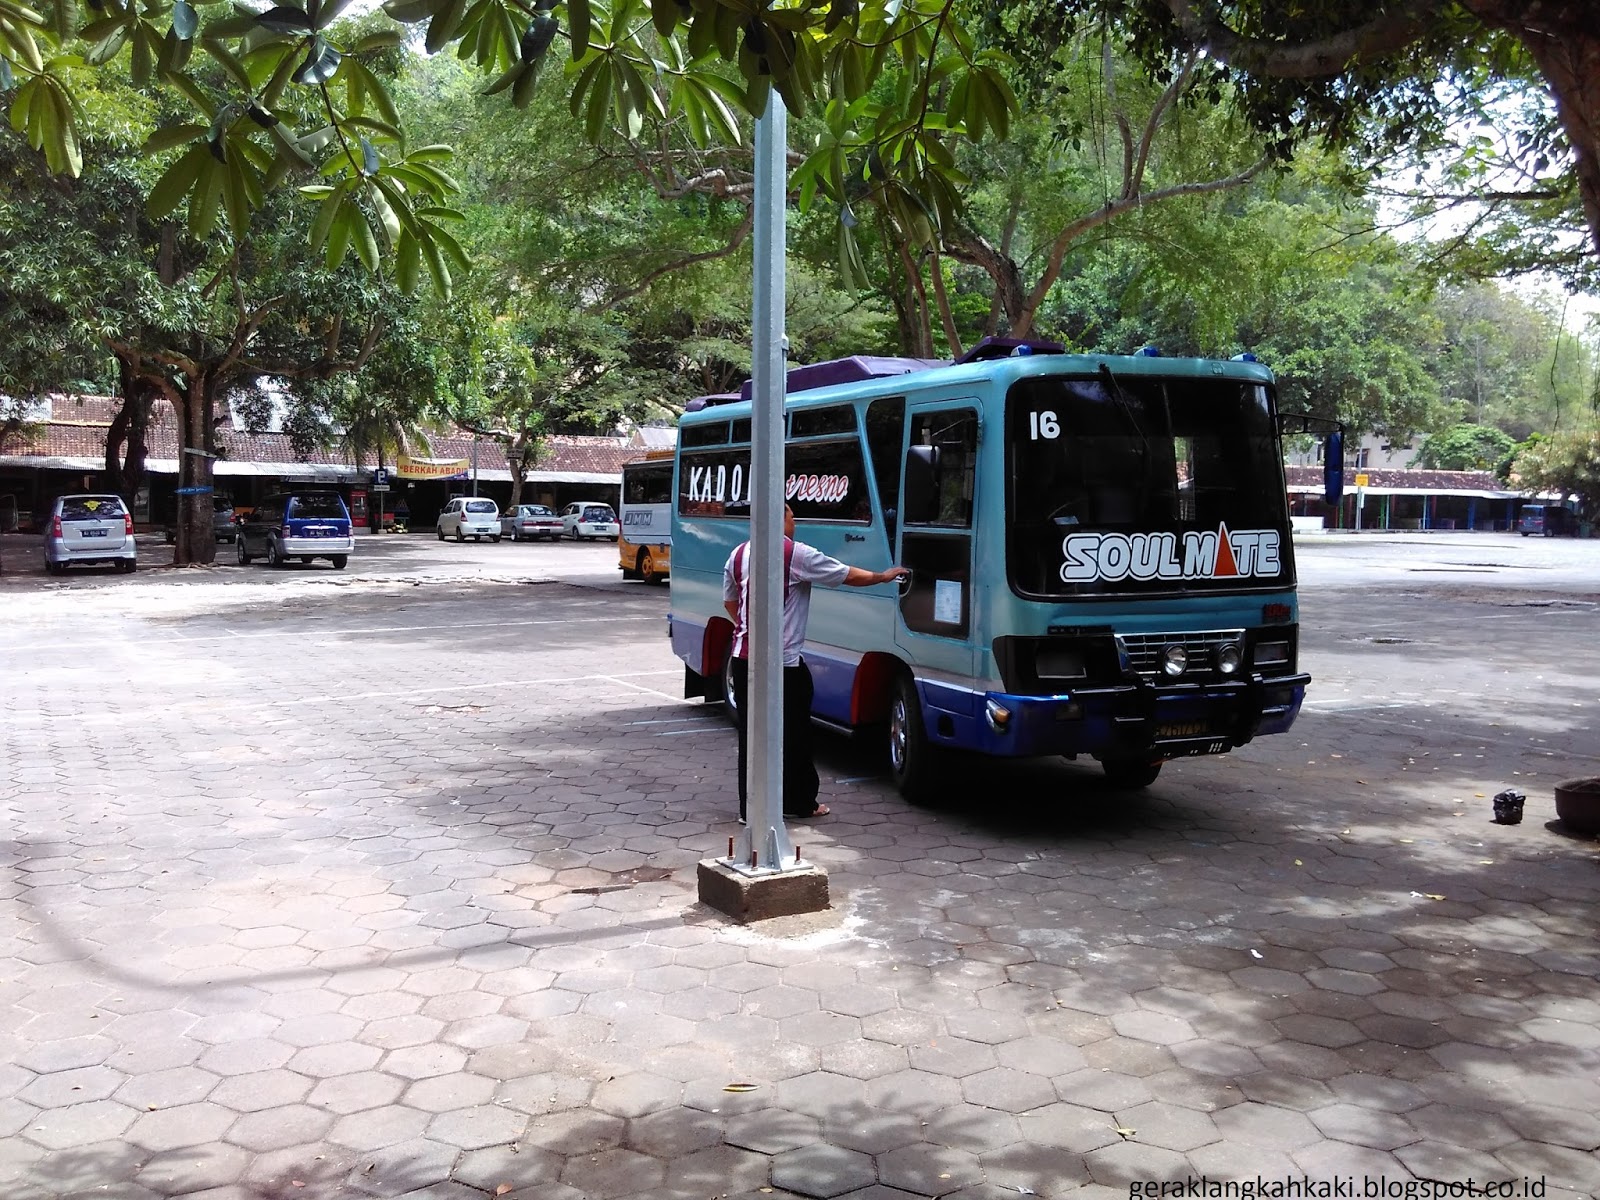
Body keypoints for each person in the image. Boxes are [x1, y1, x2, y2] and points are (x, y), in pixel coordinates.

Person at [724, 505, 909, 821]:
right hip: (782, 664)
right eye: (792, 517)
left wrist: (753, 631)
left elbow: (731, 603)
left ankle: (750, 810)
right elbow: (845, 574)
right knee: (795, 734)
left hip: (743, 658)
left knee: (751, 735)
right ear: (779, 519)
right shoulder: (794, 554)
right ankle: (798, 802)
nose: (795, 523)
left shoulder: (738, 554)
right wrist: (883, 576)